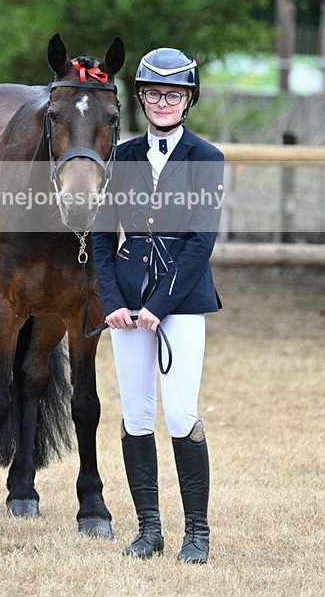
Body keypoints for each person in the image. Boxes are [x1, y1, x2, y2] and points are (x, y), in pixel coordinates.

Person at [92, 48, 224, 563]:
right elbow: (103, 239)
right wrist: (114, 301)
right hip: (126, 305)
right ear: (141, 98)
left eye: (172, 95)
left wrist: (160, 306)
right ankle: (149, 528)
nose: (162, 102)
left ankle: (197, 531)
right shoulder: (121, 157)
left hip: (183, 302)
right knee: (136, 415)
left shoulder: (205, 158)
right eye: (153, 94)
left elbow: (200, 242)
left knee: (181, 413)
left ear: (188, 100)